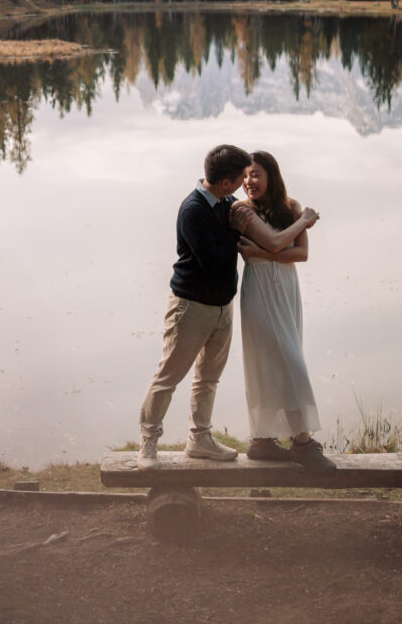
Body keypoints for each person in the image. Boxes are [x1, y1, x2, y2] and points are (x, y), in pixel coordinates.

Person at [137, 144, 253, 470]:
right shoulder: (193, 210)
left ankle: (199, 439)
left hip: (221, 307)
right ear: (227, 181)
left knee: (208, 378)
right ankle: (148, 442)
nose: (245, 183)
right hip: (191, 308)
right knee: (168, 377)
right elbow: (214, 261)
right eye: (242, 177)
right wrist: (237, 230)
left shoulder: (226, 202)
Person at [230, 151, 334, 471]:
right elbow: (277, 243)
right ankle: (302, 443)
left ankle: (262, 442)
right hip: (260, 291)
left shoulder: (290, 206)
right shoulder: (240, 210)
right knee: (286, 362)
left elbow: (300, 254)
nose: (249, 182)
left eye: (256, 174)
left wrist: (263, 252)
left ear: (271, 175)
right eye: (245, 176)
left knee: (284, 358)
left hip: (287, 290)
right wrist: (303, 222)